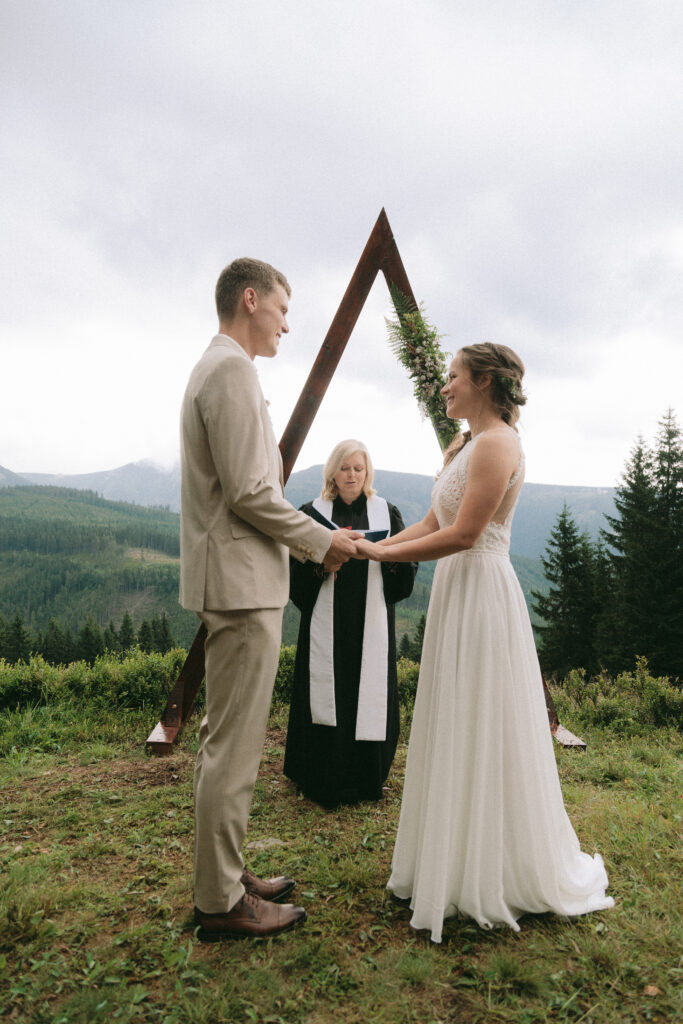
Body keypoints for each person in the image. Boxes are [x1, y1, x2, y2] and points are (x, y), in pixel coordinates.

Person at [353, 342, 614, 942]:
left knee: (485, 716)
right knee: (456, 715)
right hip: (457, 590)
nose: (444, 387)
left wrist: (374, 552)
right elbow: (431, 524)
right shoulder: (469, 445)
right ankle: (450, 856)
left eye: (452, 377)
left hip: (482, 592)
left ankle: (491, 865)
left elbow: (467, 534)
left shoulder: (498, 444)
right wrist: (376, 549)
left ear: (483, 382)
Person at [179, 258, 358, 940]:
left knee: (223, 740)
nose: (287, 320)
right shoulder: (229, 370)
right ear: (249, 300)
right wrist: (320, 542)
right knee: (234, 747)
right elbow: (250, 494)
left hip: (232, 579)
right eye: (281, 307)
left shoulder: (218, 366)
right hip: (240, 584)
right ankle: (221, 903)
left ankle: (222, 874)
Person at [284, 440, 417, 807]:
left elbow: (405, 564)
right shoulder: (311, 514)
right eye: (345, 468)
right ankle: (320, 775)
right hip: (326, 621)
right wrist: (320, 565)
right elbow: (292, 568)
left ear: (367, 473)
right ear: (332, 472)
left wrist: (387, 558)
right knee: (327, 688)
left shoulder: (386, 514)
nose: (352, 475)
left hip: (370, 621)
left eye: (359, 468)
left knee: (365, 692)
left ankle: (365, 777)